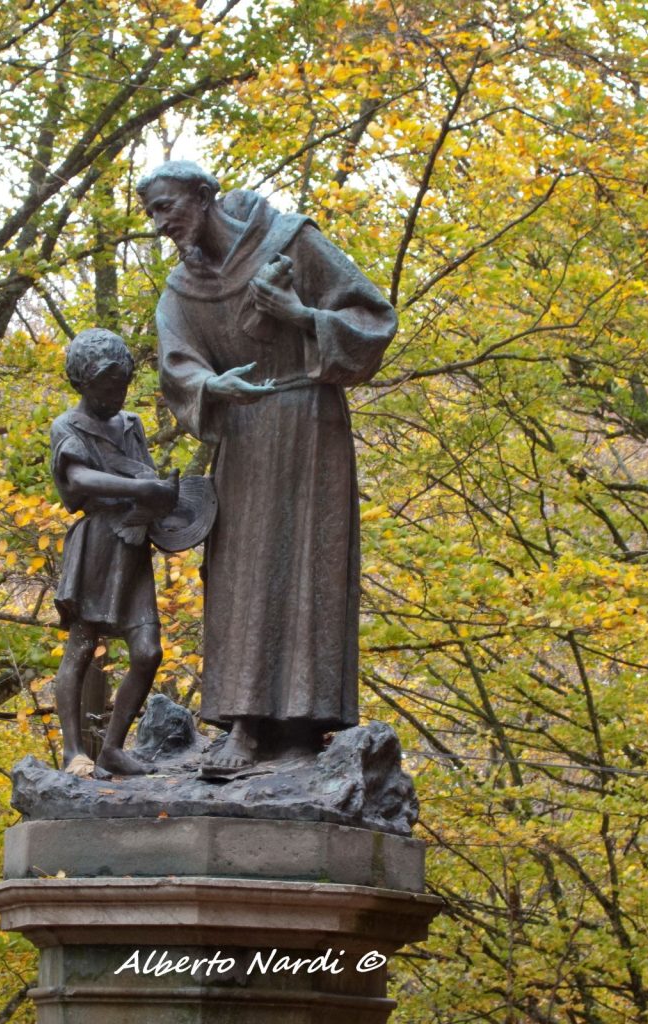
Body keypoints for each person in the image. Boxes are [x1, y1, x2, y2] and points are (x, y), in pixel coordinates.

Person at [137, 161, 398, 776]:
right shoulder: (180, 289)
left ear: (204, 197)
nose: (160, 224)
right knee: (240, 575)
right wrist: (212, 384)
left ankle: (304, 731)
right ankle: (243, 727)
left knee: (309, 567)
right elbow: (177, 366)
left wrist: (300, 314)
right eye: (152, 212)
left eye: (167, 207)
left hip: (310, 425)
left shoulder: (291, 242)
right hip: (246, 438)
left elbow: (373, 320)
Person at [50, 328, 178, 776]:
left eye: (123, 383)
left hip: (134, 543)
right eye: (109, 385)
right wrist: (140, 487)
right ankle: (73, 752)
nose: (119, 392)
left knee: (147, 652)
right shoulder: (68, 426)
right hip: (97, 547)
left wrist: (163, 498)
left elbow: (151, 476)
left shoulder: (131, 426)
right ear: (82, 383)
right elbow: (80, 480)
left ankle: (113, 748)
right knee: (82, 646)